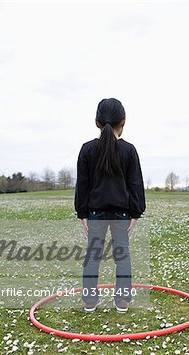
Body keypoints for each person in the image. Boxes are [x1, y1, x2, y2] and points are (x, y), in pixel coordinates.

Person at [74, 98, 146, 313]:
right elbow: (136, 185)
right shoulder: (129, 150)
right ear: (123, 121)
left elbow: (83, 186)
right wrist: (135, 213)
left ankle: (90, 301)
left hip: (96, 214)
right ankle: (122, 301)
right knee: (122, 256)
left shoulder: (87, 150)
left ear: (96, 122)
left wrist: (83, 213)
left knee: (92, 256)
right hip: (121, 214)